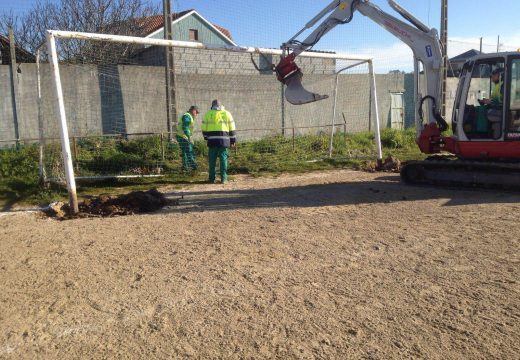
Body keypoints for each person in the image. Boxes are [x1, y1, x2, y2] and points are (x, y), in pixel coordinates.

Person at [202, 100, 236, 184]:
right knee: (223, 160)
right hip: (224, 141)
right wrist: (233, 140)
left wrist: (206, 138)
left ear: (212, 105)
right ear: (221, 105)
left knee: (212, 160)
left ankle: (211, 179)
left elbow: (204, 128)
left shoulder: (208, 114)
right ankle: (224, 179)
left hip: (212, 141)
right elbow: (232, 127)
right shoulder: (227, 113)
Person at [176, 105, 199, 172]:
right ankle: (193, 166)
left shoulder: (188, 116)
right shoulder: (187, 116)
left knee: (185, 152)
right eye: (196, 112)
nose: (196, 114)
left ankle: (185, 167)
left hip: (181, 136)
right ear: (193, 110)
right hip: (183, 136)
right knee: (189, 151)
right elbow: (185, 127)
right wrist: (189, 137)